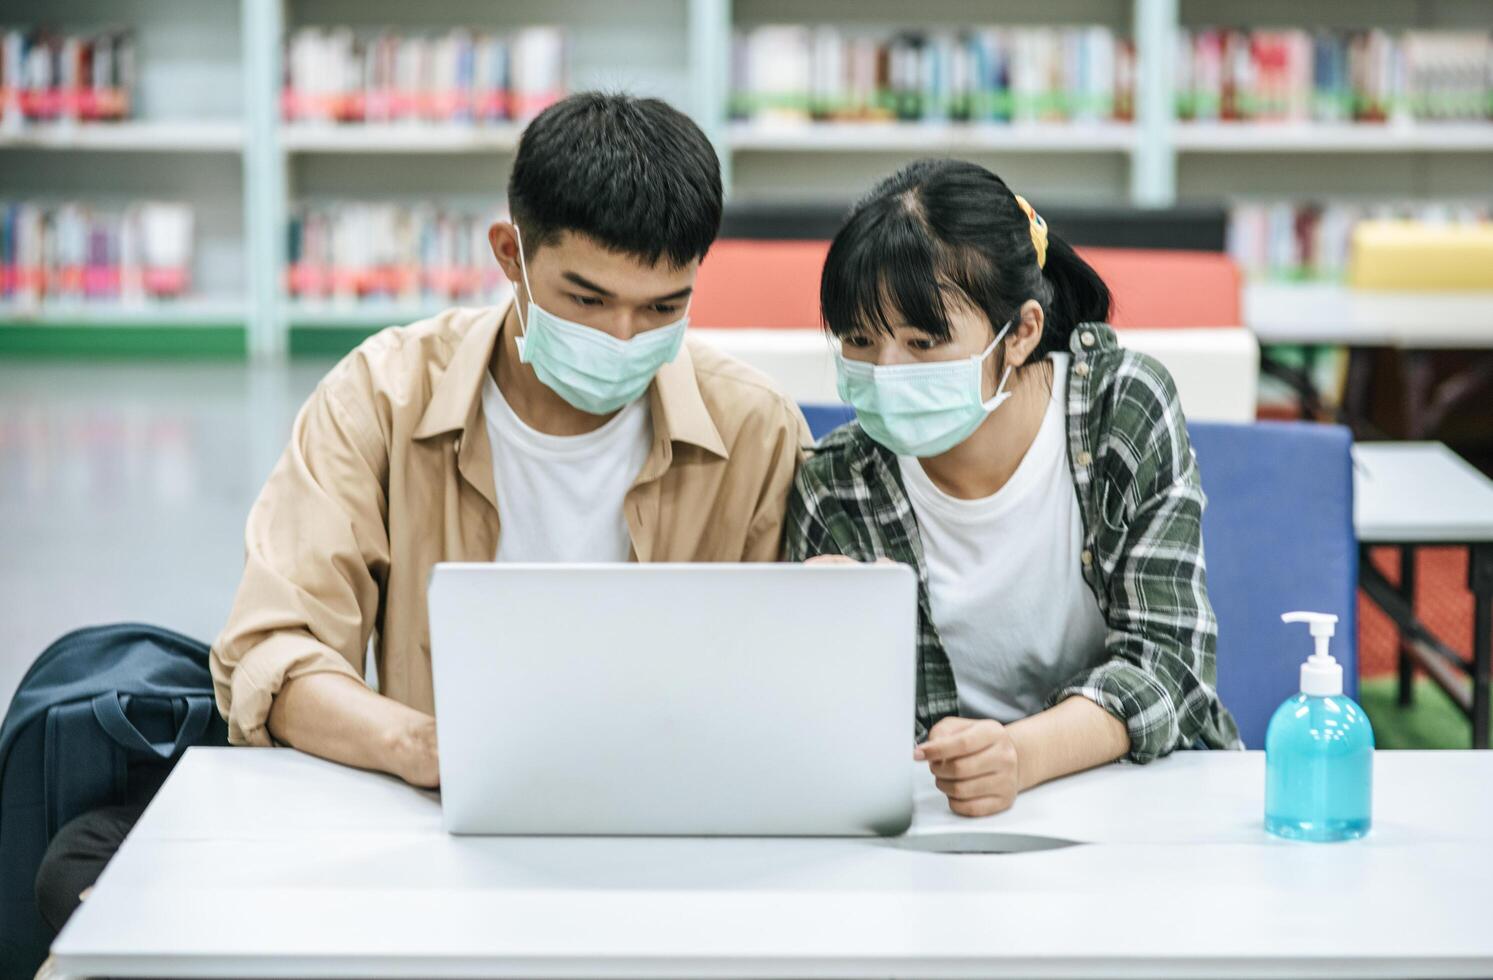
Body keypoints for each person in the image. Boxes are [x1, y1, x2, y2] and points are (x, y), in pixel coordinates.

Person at [34, 92, 808, 933]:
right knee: (89, 869)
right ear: (509, 254)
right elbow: (273, 654)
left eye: (662, 308)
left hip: (677, 840)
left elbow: (811, 693)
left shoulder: (756, 428)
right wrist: (423, 748)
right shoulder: (384, 394)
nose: (624, 338)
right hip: (435, 830)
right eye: (586, 301)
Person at [786, 158, 1240, 818]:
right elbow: (831, 734)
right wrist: (821, 640)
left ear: (1021, 332)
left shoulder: (1120, 408)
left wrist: (1017, 756)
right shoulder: (837, 482)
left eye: (923, 342)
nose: (884, 373)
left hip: (1138, 800)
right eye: (858, 340)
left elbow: (1169, 664)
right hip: (943, 818)